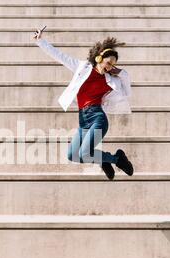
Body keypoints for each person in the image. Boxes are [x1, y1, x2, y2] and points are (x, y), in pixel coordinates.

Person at [33, 27, 134, 180]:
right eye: (108, 63)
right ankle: (105, 159)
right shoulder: (82, 68)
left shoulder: (111, 80)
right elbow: (60, 56)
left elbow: (127, 92)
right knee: (72, 155)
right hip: (84, 120)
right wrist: (41, 41)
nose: (109, 67)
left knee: (85, 153)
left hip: (98, 118)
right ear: (99, 58)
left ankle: (116, 159)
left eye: (113, 65)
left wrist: (119, 72)